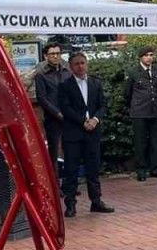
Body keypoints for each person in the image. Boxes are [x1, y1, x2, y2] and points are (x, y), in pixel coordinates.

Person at [57, 52, 115, 217]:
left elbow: (103, 105)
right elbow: (65, 108)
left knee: (93, 168)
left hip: (92, 133)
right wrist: (82, 121)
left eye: (82, 63)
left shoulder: (96, 83)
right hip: (73, 133)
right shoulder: (65, 85)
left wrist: (95, 119)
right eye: (76, 64)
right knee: (71, 170)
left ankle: (96, 201)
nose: (80, 66)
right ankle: (70, 204)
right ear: (71, 67)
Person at [125, 48, 157, 182]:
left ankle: (155, 168)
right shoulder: (133, 72)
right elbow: (127, 93)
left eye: (151, 55)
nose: (149, 58)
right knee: (140, 142)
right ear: (140, 57)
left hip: (155, 111)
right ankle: (141, 169)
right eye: (146, 55)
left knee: (156, 141)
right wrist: (134, 106)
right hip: (140, 112)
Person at [33, 42, 70, 171]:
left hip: (69, 116)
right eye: (52, 54)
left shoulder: (66, 71)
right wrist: (58, 113)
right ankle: (54, 181)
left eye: (58, 53)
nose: (55, 56)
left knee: (70, 148)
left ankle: (69, 180)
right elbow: (42, 98)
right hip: (52, 118)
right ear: (46, 56)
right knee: (53, 151)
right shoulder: (41, 74)